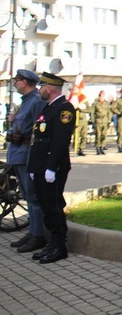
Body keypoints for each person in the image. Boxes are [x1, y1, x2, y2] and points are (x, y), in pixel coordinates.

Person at [27, 72, 76, 264]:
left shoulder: (65, 109)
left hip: (52, 166)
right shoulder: (49, 108)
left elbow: (60, 141)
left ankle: (59, 246)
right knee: (47, 206)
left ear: (49, 88)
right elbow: (39, 140)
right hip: (41, 166)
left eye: (41, 87)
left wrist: (51, 167)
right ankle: (52, 244)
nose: (39, 90)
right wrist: (34, 167)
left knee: (54, 206)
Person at [6, 69, 47, 253]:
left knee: (32, 196)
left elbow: (38, 132)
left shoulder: (36, 102)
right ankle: (32, 232)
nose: (15, 83)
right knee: (26, 195)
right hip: (17, 154)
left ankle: (38, 235)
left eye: (17, 80)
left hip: (26, 155)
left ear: (25, 82)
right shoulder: (25, 103)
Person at [91, 90, 111, 155]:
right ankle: (98, 148)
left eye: (103, 95)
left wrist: (109, 120)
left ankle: (102, 147)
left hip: (105, 121)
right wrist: (93, 121)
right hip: (98, 121)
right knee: (98, 135)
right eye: (100, 95)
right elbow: (92, 113)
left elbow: (109, 112)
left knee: (104, 135)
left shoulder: (106, 103)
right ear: (99, 96)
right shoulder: (95, 103)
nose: (102, 96)